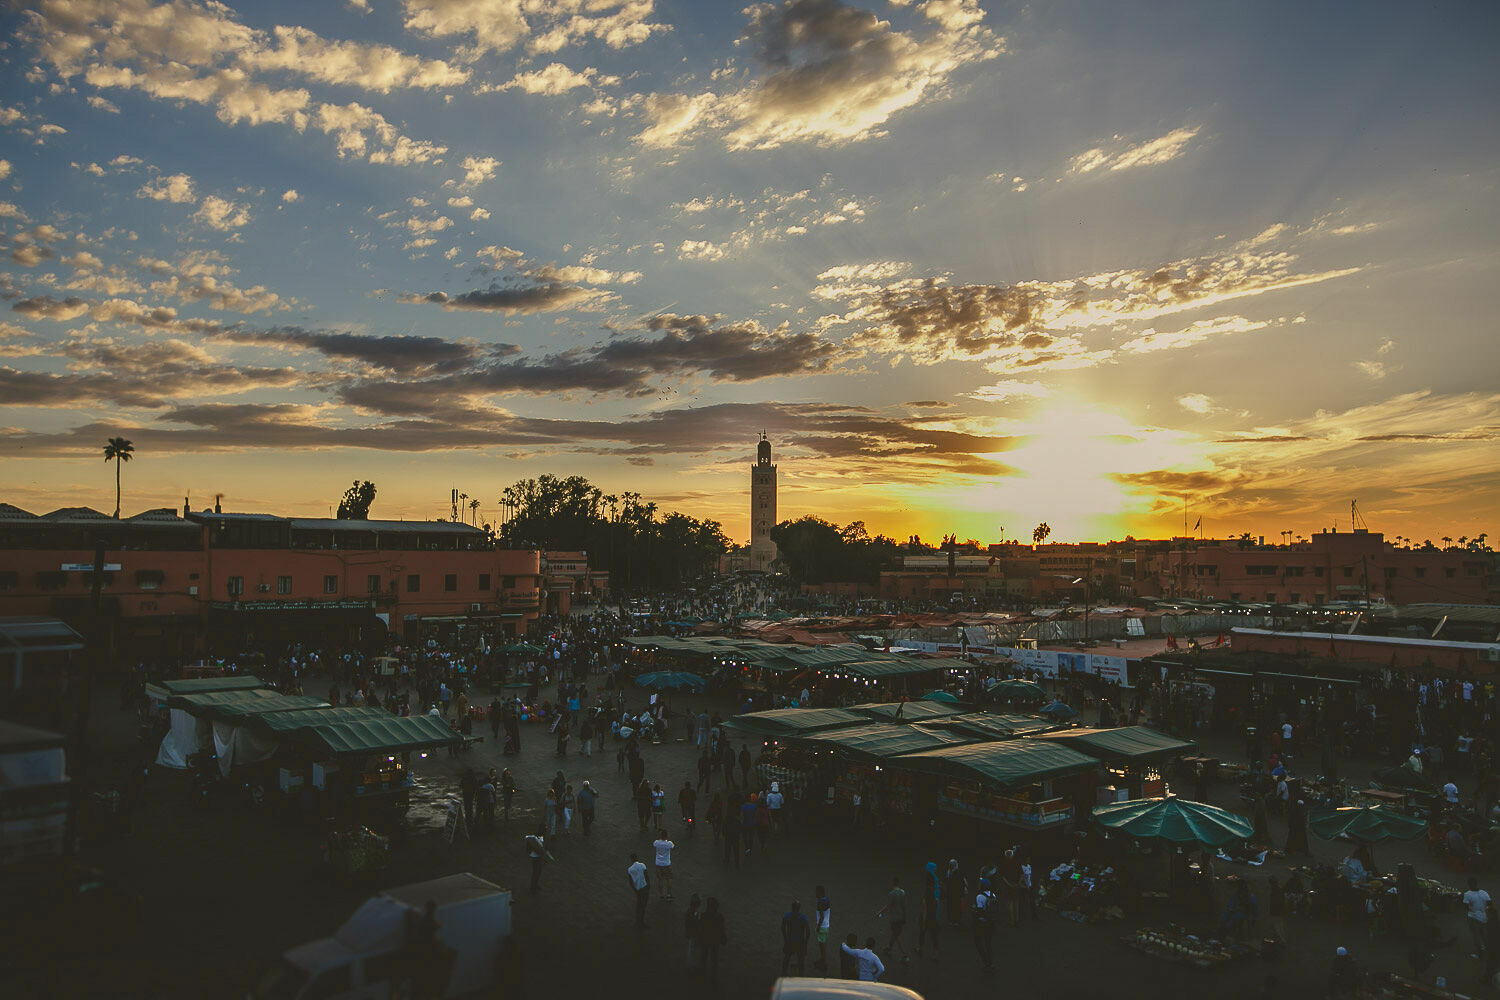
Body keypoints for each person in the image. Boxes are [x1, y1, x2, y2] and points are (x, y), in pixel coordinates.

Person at [878, 875, 908, 962]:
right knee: (895, 934)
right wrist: (905, 917)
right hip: (901, 917)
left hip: (894, 918)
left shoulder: (891, 894)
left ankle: (904, 954)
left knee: (896, 935)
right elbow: (904, 906)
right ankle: (888, 948)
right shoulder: (903, 892)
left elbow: (888, 906)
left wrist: (880, 912)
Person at [918, 861, 942, 959]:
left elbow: (924, 907)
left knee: (922, 932)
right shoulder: (934, 893)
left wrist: (923, 921)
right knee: (933, 934)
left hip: (927, 916)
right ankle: (935, 952)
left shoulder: (927, 894)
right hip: (933, 916)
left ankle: (920, 948)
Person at [699, 897, 727, 982]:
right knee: (714, 959)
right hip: (715, 941)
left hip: (705, 940)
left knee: (704, 957)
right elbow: (722, 929)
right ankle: (713, 977)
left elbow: (700, 928)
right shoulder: (719, 917)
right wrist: (723, 938)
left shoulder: (703, 916)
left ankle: (702, 974)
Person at [972, 878, 997, 973]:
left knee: (978, 941)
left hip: (982, 923)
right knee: (988, 943)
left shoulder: (980, 897)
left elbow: (980, 911)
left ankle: (985, 960)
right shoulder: (993, 895)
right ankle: (990, 962)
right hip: (991, 922)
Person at [1463, 877, 1491, 958]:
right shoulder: (1484, 893)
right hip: (1484, 917)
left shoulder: (1467, 894)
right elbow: (1490, 904)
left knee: (1476, 936)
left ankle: (1480, 954)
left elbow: (1465, 906)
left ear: (1469, 884)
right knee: (1484, 935)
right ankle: (1488, 950)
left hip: (1473, 917)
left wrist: (1473, 909)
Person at [781, 900, 810, 975]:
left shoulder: (787, 916)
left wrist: (785, 939)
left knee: (787, 957)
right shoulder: (803, 918)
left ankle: (784, 973)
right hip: (800, 942)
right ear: (799, 908)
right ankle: (801, 975)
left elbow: (782, 927)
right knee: (801, 960)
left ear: (792, 907)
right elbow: (808, 930)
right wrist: (806, 942)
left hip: (790, 941)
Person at [525, 825, 551, 893]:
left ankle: (534, 885)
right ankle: (533, 886)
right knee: (536, 871)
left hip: (536, 856)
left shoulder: (539, 836)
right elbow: (538, 847)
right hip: (536, 856)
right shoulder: (538, 836)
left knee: (537, 871)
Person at [627, 852, 650, 928]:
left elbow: (630, 882)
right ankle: (641, 921)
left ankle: (638, 921)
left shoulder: (630, 869)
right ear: (637, 858)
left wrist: (635, 890)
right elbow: (646, 876)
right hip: (645, 887)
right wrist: (649, 886)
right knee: (643, 905)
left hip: (638, 889)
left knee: (639, 905)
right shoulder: (642, 865)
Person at [654, 830, 676, 901]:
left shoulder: (656, 843)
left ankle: (661, 895)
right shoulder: (669, 844)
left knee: (660, 879)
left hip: (658, 864)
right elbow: (673, 847)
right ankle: (669, 894)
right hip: (666, 864)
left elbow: (654, 844)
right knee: (669, 878)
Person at [814, 886, 832, 971]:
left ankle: (823, 963)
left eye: (817, 892)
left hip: (822, 927)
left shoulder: (820, 902)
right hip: (826, 925)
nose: (815, 894)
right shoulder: (827, 900)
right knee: (823, 944)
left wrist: (817, 927)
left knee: (822, 946)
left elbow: (821, 917)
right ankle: (822, 960)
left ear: (820, 893)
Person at [684, 894, 703, 973]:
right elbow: (696, 923)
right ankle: (692, 966)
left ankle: (691, 966)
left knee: (691, 949)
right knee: (692, 949)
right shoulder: (693, 912)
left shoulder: (690, 911)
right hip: (694, 933)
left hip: (691, 932)